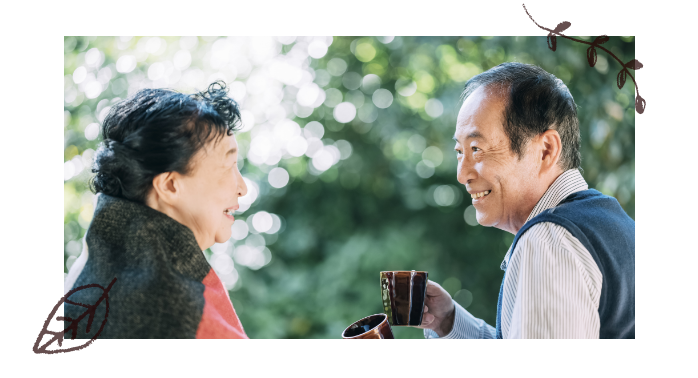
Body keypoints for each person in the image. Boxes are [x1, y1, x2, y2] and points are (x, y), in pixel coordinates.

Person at [417, 63, 635, 339]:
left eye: (476, 149)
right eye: (460, 151)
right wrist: (448, 321)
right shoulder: (612, 224)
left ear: (545, 150)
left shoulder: (548, 241)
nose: (462, 175)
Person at [64, 81, 249, 338]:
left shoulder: (88, 282)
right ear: (171, 185)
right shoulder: (184, 318)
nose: (242, 188)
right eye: (228, 166)